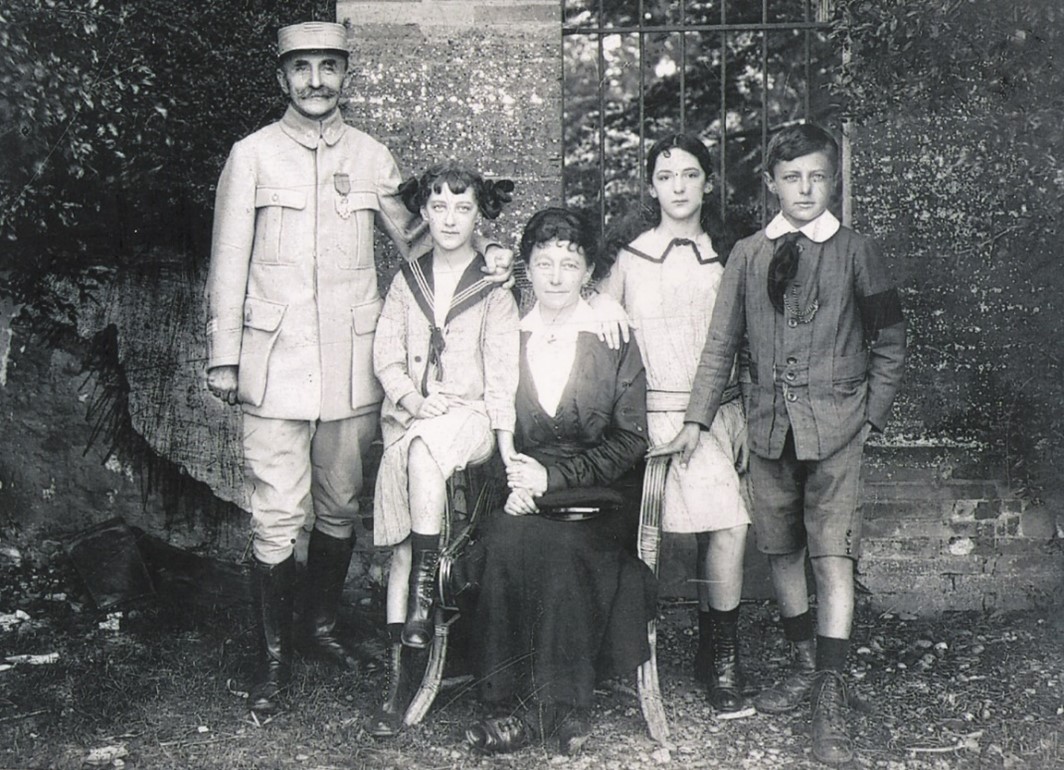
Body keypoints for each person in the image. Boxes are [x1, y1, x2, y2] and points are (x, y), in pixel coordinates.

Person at [203, 22, 512, 716]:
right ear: (281, 79)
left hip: (350, 366)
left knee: (342, 504)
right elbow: (227, 261)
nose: (316, 81)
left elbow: (427, 237)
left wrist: (491, 257)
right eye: (302, 68)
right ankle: (273, 658)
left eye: (329, 67)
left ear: (347, 76)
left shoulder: (373, 156)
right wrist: (225, 356)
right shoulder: (251, 155)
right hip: (274, 363)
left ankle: (319, 628)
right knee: (278, 510)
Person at [650, 123, 906, 764]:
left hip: (839, 429)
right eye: (791, 177)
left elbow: (891, 343)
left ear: (834, 180)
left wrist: (870, 417)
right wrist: (696, 421)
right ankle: (800, 662)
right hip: (768, 428)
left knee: (831, 554)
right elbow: (720, 345)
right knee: (782, 548)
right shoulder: (746, 254)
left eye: (817, 176)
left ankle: (831, 683)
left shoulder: (857, 251)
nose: (805, 188)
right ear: (770, 184)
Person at [462, 207, 656, 756]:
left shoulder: (612, 337)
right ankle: (504, 705)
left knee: (566, 548)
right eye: (542, 262)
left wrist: (554, 476)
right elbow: (495, 421)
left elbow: (630, 440)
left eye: (568, 264)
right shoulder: (508, 336)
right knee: (503, 543)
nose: (554, 275)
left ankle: (559, 708)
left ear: (587, 270)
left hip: (596, 493)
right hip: (523, 489)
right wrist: (516, 484)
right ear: (525, 268)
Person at [598, 133, 751, 714]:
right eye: (666, 177)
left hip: (721, 412)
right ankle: (656, 650)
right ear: (652, 186)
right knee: (690, 532)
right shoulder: (630, 257)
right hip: (657, 418)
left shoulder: (730, 252)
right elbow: (595, 320)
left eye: (690, 175)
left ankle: (720, 652)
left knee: (729, 527)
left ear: (708, 183)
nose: (678, 187)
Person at [366, 163, 520, 736]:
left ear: (479, 215)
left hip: (472, 419)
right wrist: (410, 397)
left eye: (463, 208)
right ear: (424, 214)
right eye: (439, 207)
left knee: (426, 450)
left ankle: (427, 586)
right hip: (413, 419)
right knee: (401, 544)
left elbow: (504, 374)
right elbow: (385, 354)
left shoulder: (494, 288)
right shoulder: (408, 281)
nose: (450, 218)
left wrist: (505, 443)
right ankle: (398, 684)